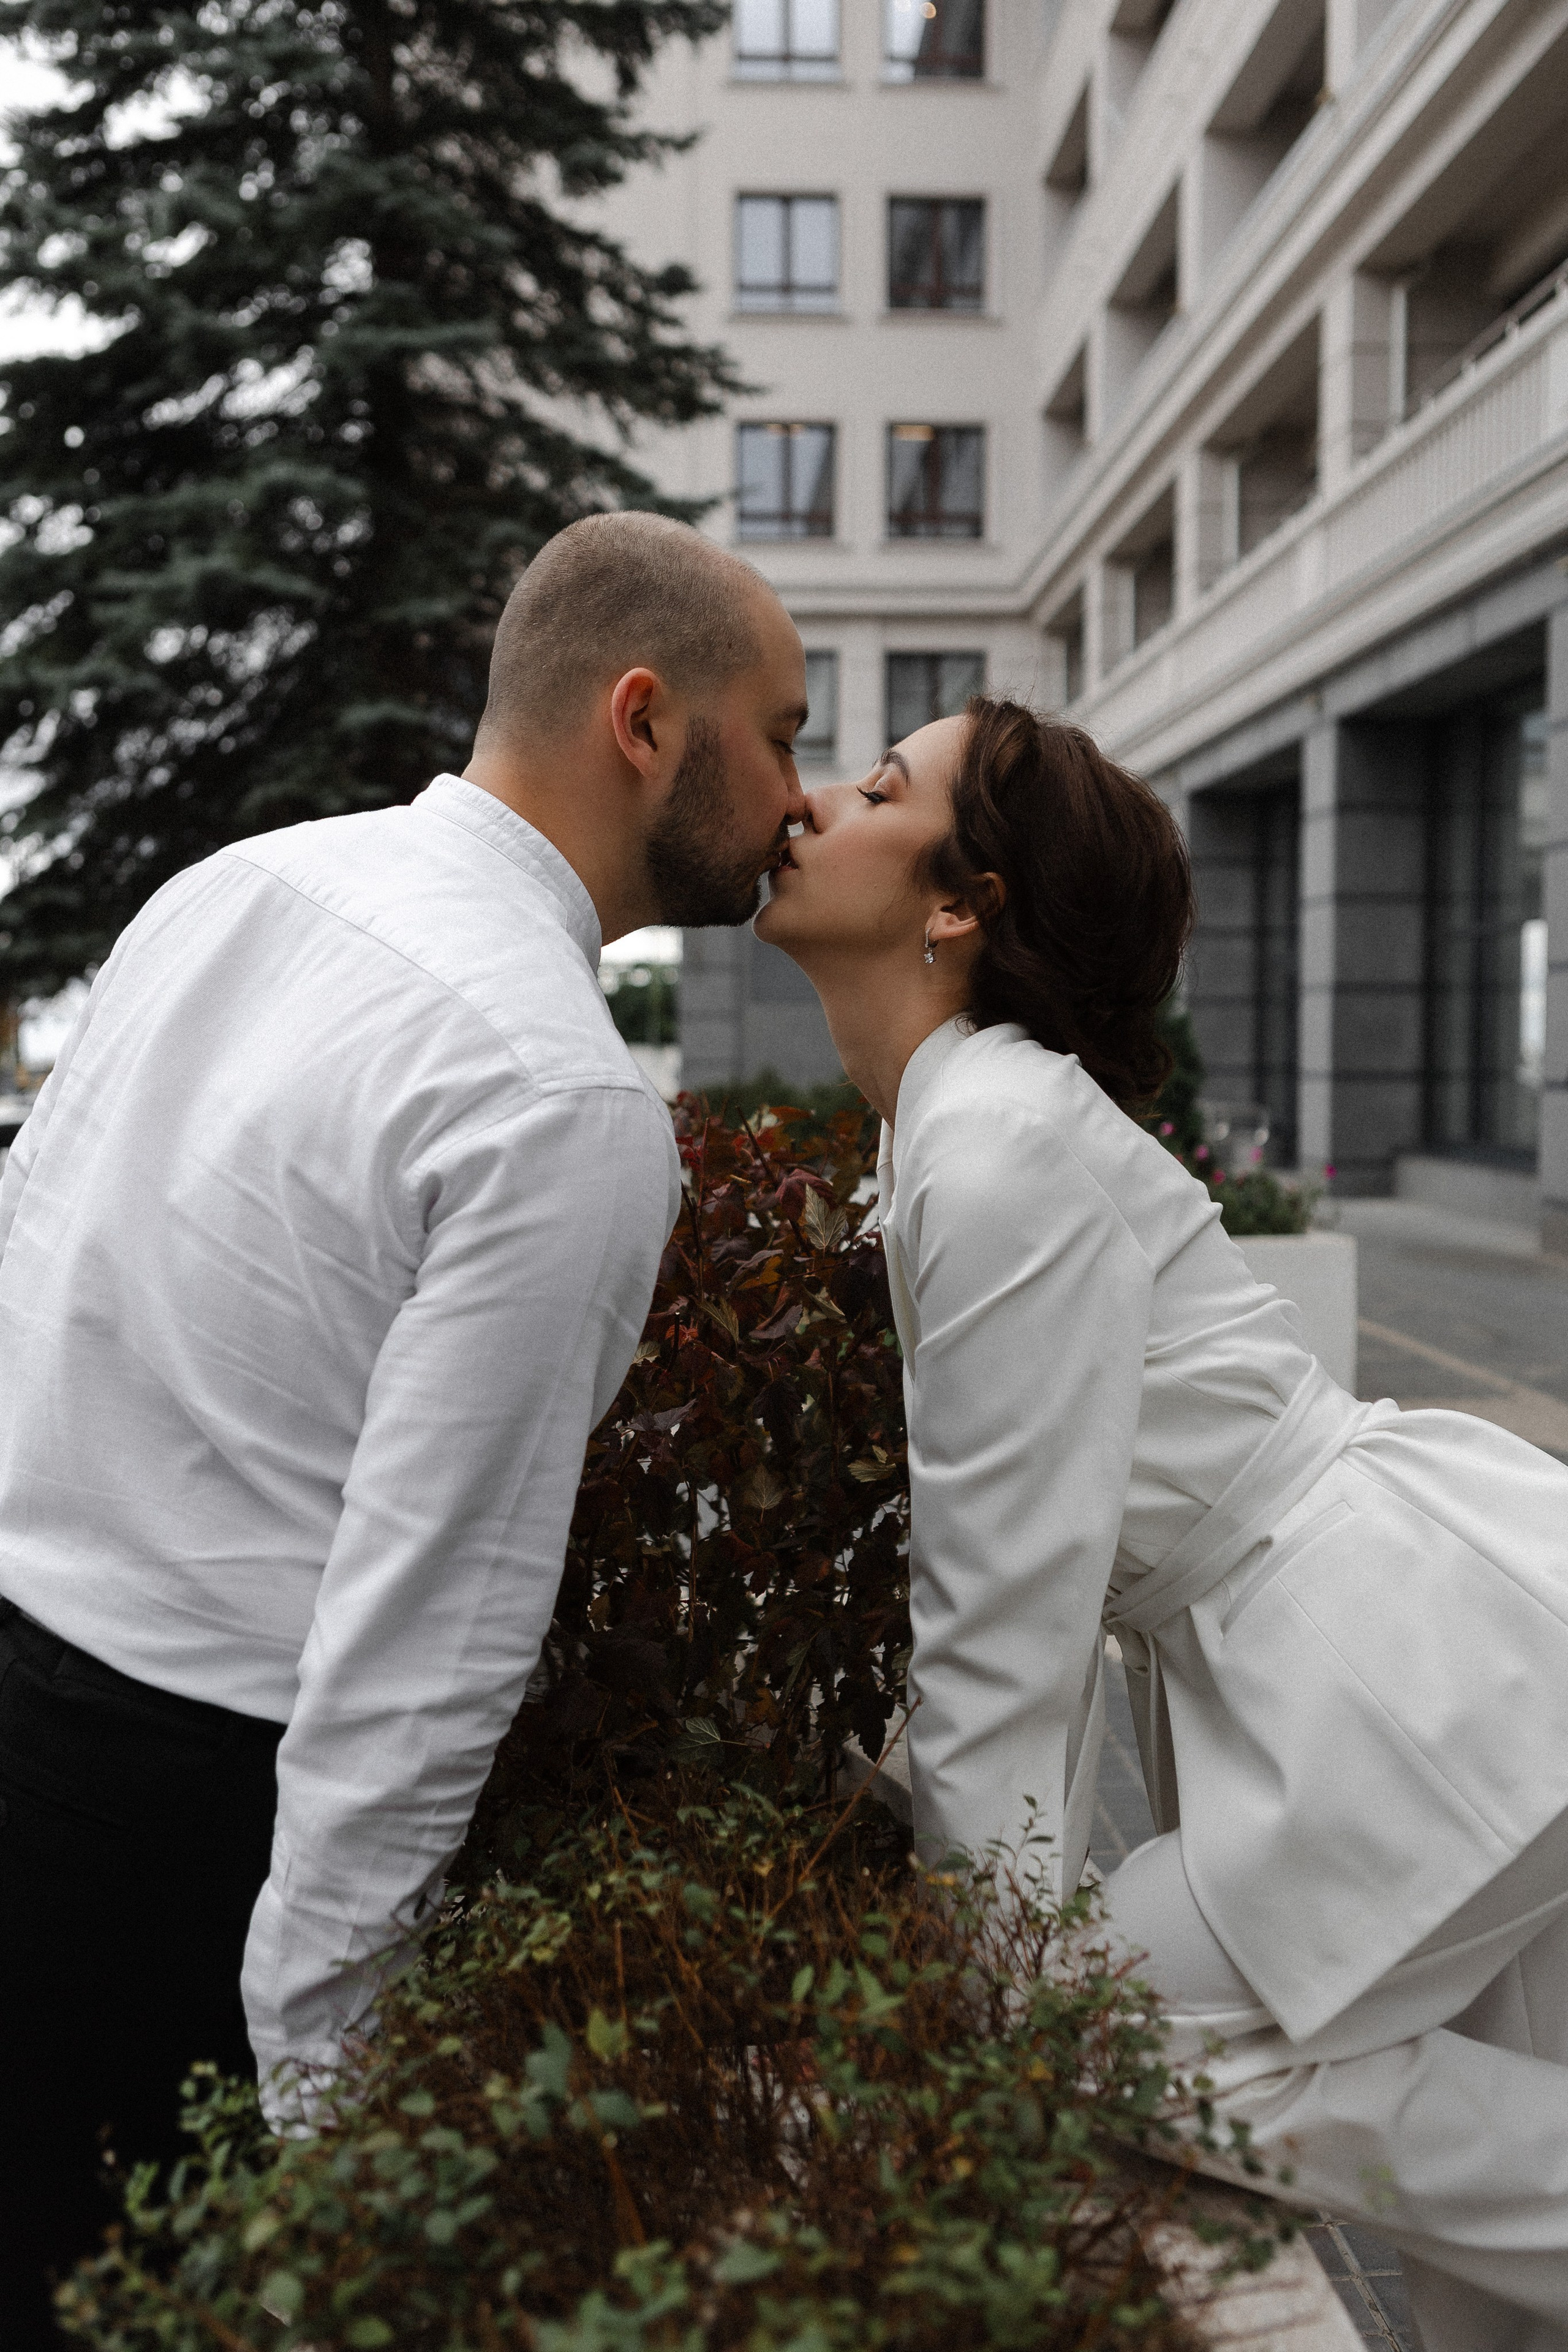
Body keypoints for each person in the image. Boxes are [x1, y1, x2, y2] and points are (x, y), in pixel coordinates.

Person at [0, 513, 810, 2342]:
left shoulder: (235, 885)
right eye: (779, 733)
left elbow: (28, 1260)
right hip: (174, 1832)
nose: (799, 798)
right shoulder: (559, 1099)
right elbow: (429, 1638)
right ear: (642, 722)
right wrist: (334, 2106)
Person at [755, 693, 1568, 2352]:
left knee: (1099, 2036)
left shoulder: (993, 1140)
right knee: (1477, 2175)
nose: (813, 800)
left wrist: (980, 1981)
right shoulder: (955, 1119)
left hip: (1401, 1664)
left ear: (962, 904)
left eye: (880, 786)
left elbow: (1009, 1615)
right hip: (1390, 1652)